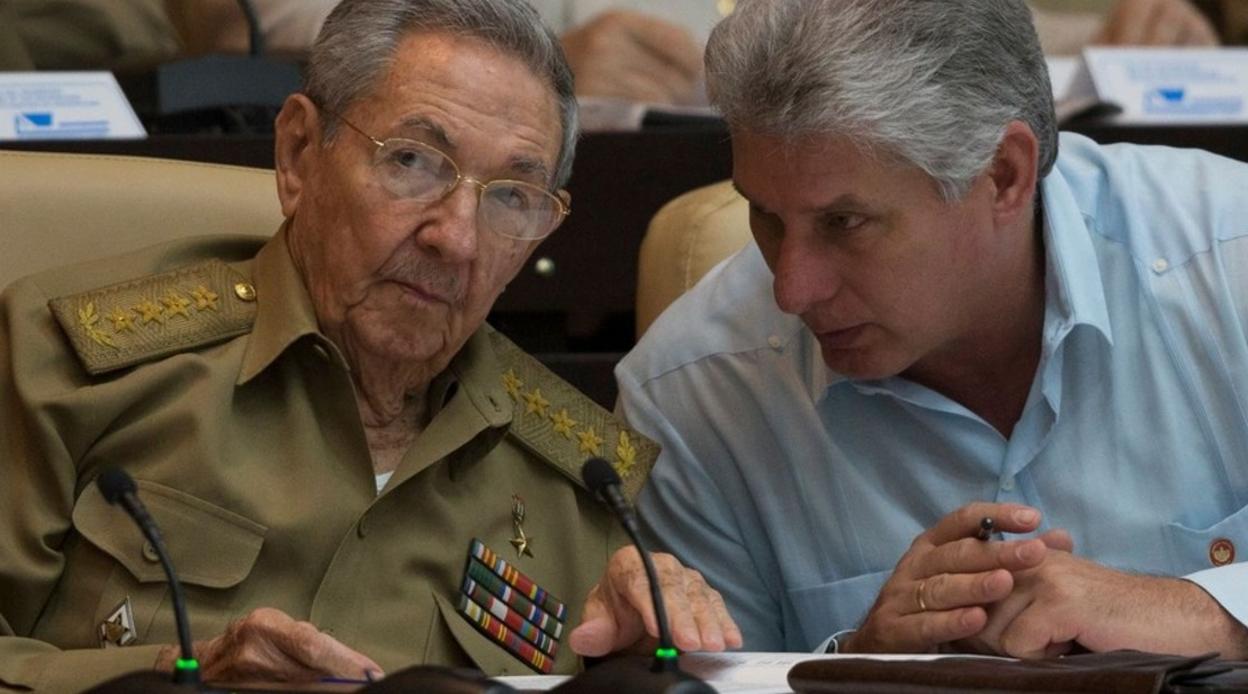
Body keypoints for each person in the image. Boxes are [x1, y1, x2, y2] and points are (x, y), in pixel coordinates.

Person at [0, 0, 739, 690]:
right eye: (413, 162)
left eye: (513, 196)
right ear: (296, 156)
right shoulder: (76, 367)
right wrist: (173, 676)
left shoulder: (577, 483)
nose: (455, 238)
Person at [617, 0, 1248, 660]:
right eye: (767, 218)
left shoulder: (1230, 266)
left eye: (845, 223)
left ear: (1004, 175)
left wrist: (1210, 614)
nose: (792, 289)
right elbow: (696, 680)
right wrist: (859, 667)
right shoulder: (692, 397)